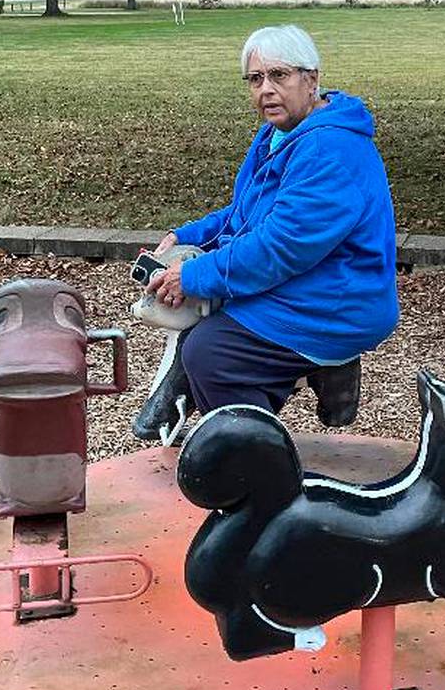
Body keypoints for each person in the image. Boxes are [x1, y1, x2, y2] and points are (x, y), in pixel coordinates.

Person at [134, 24, 398, 435]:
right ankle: (296, 396)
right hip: (308, 283)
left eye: (279, 76)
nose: (266, 90)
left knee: (211, 353)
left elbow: (282, 246)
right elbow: (247, 211)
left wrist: (196, 276)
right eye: (256, 79)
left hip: (338, 301)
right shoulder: (278, 134)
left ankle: (260, 467)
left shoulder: (329, 149)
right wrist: (189, 236)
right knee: (208, 335)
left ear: (311, 80)